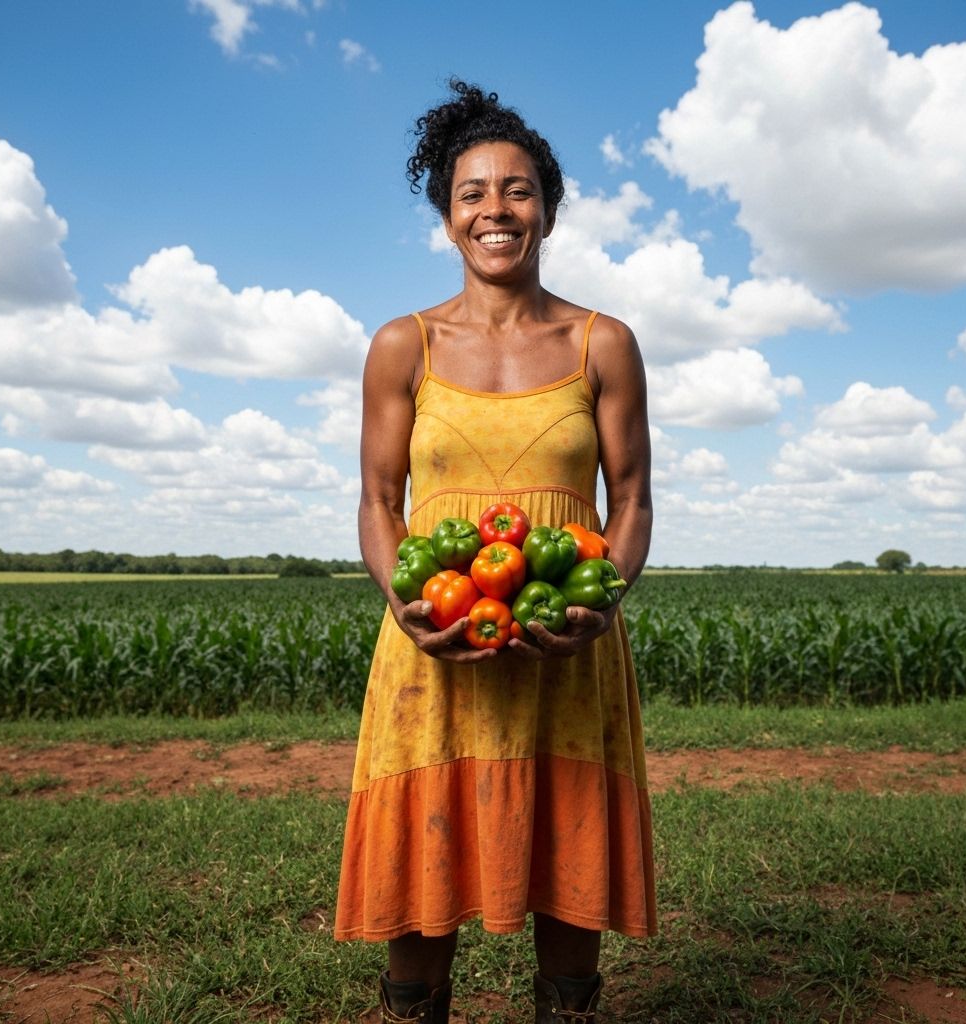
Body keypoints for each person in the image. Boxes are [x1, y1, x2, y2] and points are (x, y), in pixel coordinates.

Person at [334, 79, 656, 1024]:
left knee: (568, 866)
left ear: (547, 209)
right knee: (421, 885)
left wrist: (603, 602)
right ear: (447, 217)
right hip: (435, 641)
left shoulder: (604, 343)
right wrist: (406, 609)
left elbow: (632, 500)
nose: (496, 210)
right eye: (472, 193)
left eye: (518, 190)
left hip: (568, 641)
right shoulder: (404, 345)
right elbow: (377, 502)